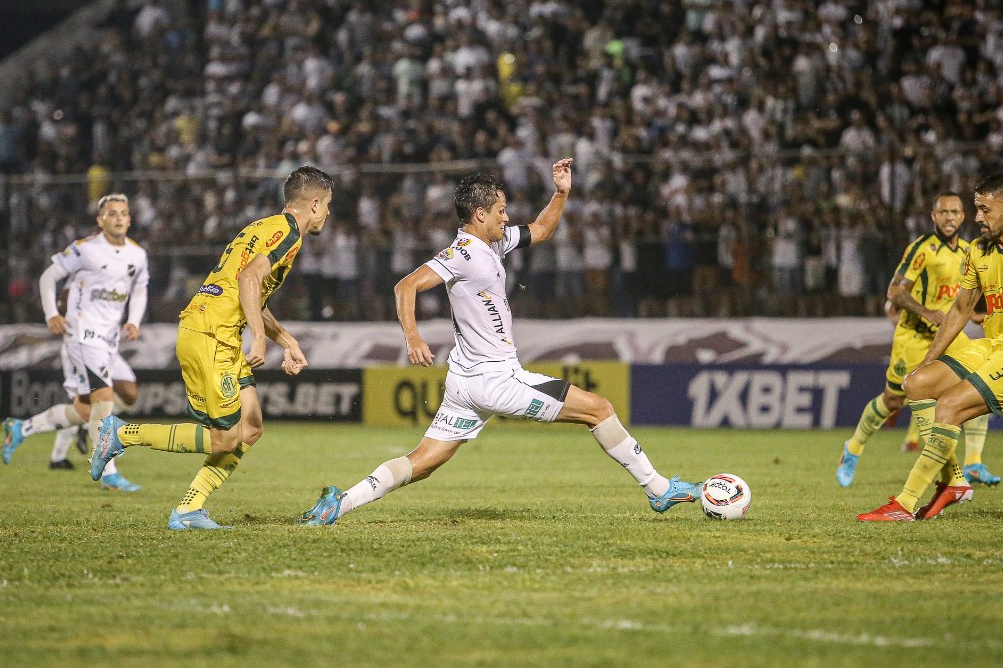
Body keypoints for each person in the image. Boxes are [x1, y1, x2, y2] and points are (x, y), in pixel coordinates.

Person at [298, 159, 702, 526]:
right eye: (501, 211)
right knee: (599, 409)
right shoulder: (464, 253)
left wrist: (561, 193)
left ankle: (340, 503)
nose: (507, 217)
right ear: (480, 214)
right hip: (496, 381)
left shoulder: (492, 242)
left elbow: (541, 230)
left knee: (422, 463)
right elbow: (406, 286)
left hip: (465, 384)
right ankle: (658, 489)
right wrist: (413, 338)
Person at [90, 166, 334, 529]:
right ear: (314, 203)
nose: (328, 213)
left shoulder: (263, 227)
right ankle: (122, 433)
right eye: (328, 204)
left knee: (250, 427)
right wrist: (259, 337)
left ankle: (188, 509)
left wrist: (287, 340)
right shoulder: (289, 234)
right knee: (224, 439)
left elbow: (249, 291)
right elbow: (250, 279)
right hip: (211, 335)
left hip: (218, 329)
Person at [859, 173, 1003, 521]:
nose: (977, 218)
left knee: (950, 407)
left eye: (985, 209)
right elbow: (959, 309)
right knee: (916, 383)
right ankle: (954, 482)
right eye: (976, 209)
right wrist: (927, 362)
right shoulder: (979, 250)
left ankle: (906, 504)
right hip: (993, 346)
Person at [836, 193, 998, 487]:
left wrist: (973, 314)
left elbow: (958, 295)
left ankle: (973, 463)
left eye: (955, 212)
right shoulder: (922, 249)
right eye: (943, 212)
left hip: (948, 334)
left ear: (963, 217)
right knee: (893, 400)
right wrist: (926, 312)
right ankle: (853, 449)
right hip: (913, 336)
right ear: (933, 216)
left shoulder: (967, 251)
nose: (949, 217)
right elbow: (895, 292)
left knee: (978, 385)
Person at [3, 194, 147, 491]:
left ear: (130, 219)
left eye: (123, 213)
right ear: (101, 220)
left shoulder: (137, 255)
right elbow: (47, 277)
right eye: (112, 213)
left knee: (91, 408)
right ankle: (107, 471)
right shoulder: (85, 250)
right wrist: (52, 314)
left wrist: (134, 320)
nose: (118, 218)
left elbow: (140, 290)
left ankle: (20, 428)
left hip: (109, 340)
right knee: (104, 399)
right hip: (82, 335)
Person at [3, 341, 139, 474]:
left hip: (106, 347)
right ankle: (58, 456)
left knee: (129, 393)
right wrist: (53, 317)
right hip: (82, 347)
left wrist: (133, 321)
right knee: (82, 408)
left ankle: (86, 427)